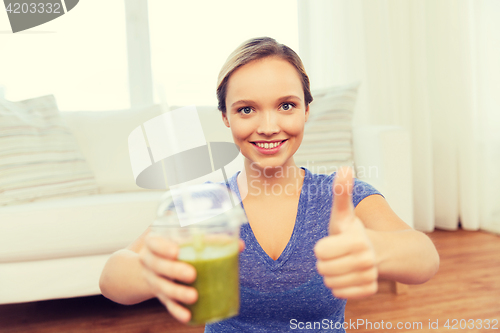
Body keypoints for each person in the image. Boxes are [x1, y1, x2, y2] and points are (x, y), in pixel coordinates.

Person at [99, 37, 440, 332]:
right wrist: (151, 272)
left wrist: (376, 249)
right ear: (225, 118)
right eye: (246, 110)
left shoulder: (341, 196)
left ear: (306, 110)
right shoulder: (203, 203)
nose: (268, 126)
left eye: (286, 105)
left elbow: (424, 259)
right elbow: (112, 279)